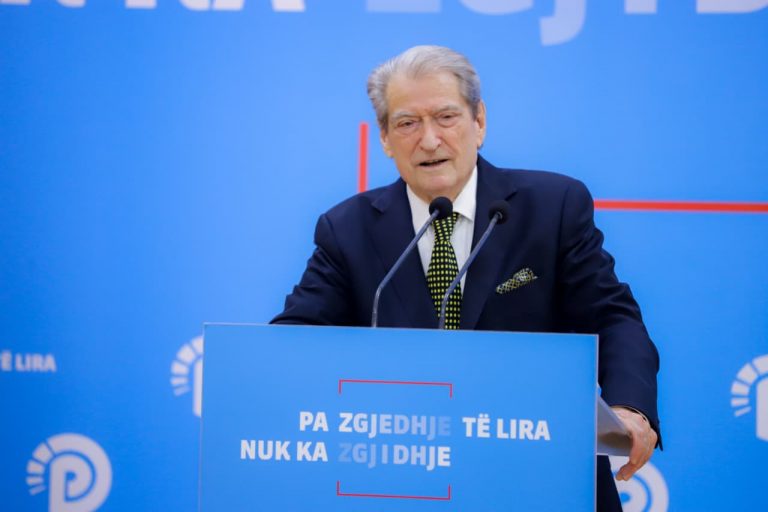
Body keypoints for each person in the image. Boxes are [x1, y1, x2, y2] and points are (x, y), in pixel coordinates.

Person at [272, 45, 660, 511]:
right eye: (407, 123)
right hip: (404, 482)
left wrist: (629, 408)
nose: (429, 140)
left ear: (479, 122)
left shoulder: (552, 207)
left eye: (446, 117)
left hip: (538, 473)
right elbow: (295, 343)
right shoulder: (347, 230)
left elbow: (612, 317)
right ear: (386, 138)